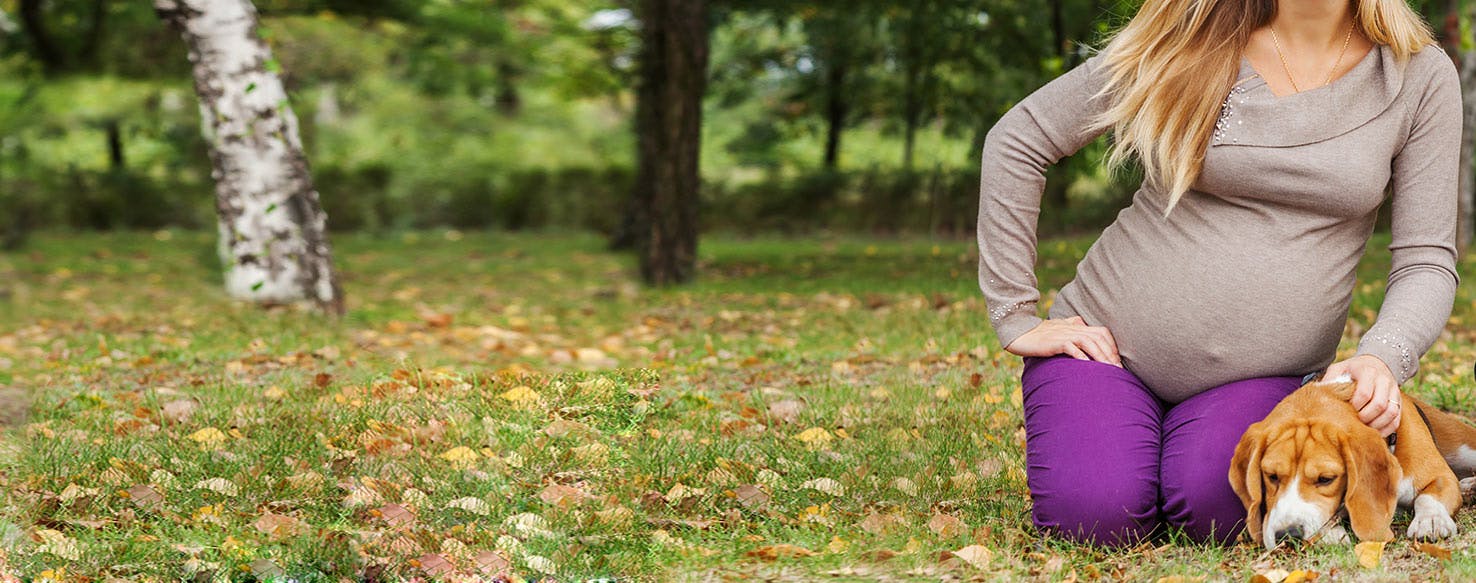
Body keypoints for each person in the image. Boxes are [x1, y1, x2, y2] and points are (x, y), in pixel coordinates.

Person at [978, 0, 1461, 546]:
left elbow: (1426, 258)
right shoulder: (1190, 37)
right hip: (1103, 350)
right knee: (1095, 517)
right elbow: (1018, 140)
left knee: (1218, 510)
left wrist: (1382, 353)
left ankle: (1421, 443)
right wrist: (1015, 314)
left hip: (1263, 377)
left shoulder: (1416, 75)